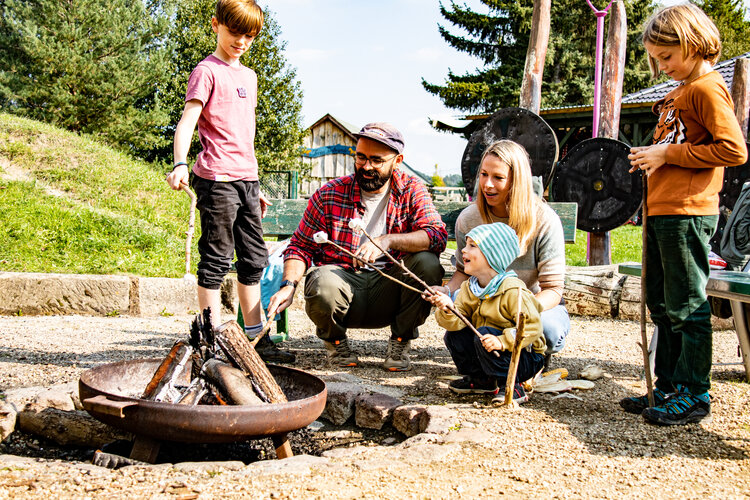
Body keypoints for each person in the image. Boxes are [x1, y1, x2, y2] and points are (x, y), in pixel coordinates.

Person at [623, 3, 747, 425]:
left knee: (687, 303)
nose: (662, 66)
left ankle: (694, 393)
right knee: (661, 302)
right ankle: (669, 387)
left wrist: (667, 153)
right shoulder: (677, 93)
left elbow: (733, 150)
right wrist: (652, 158)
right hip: (662, 211)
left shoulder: (707, 88)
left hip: (688, 212)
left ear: (693, 44)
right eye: (656, 59)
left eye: (667, 57)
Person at [165, 0, 293, 363]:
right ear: (216, 25)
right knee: (217, 258)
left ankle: (254, 339)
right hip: (216, 178)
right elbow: (189, 120)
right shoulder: (206, 71)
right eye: (235, 32)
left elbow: (243, 134)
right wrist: (180, 163)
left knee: (253, 259)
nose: (241, 41)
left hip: (245, 180)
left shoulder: (249, 77)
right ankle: (210, 338)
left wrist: (254, 185)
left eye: (249, 35)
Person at [266, 122, 448, 371]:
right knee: (320, 280)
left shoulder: (411, 190)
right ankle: (336, 342)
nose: (366, 166)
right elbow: (300, 246)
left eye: (377, 160)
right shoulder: (330, 193)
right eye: (360, 157)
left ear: (397, 161)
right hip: (345, 287)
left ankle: (400, 341)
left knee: (427, 263)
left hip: (391, 289)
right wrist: (288, 286)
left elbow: (436, 235)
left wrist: (388, 240)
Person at [441, 140, 569, 366]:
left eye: (498, 178)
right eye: (483, 175)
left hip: (531, 301)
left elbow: (553, 289)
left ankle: (532, 359)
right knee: (456, 319)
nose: (487, 185)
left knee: (548, 330)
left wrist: (517, 312)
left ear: (516, 181)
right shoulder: (469, 219)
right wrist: (445, 291)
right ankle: (486, 369)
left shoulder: (545, 221)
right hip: (486, 302)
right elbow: (463, 272)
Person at [426, 223, 545, 405]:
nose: (463, 251)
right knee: (455, 335)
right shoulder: (470, 288)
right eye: (466, 245)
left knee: (485, 333)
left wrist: (502, 341)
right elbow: (457, 322)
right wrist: (448, 308)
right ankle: (481, 379)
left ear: (492, 255)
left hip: (522, 356)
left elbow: (531, 328)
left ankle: (513, 385)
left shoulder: (513, 290)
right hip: (489, 346)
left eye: (472, 246)